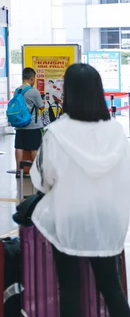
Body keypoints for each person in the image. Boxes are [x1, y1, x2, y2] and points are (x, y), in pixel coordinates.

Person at [31, 63, 130, 317]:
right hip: (107, 218)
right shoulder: (117, 132)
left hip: (69, 216)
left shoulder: (56, 133)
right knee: (111, 287)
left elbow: (45, 179)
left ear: (69, 93)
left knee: (70, 287)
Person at [14, 67, 47, 178]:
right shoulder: (34, 91)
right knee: (34, 148)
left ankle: (18, 171)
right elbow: (41, 107)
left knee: (19, 147)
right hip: (32, 125)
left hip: (19, 124)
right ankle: (37, 171)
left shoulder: (17, 90)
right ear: (32, 78)